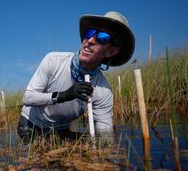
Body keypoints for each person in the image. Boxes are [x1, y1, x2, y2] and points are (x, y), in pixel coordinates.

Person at [17, 11, 135, 143]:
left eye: (102, 37)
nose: (90, 40)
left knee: (84, 147)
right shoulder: (53, 60)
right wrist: (65, 95)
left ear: (111, 51)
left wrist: (107, 155)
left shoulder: (103, 92)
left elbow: (105, 135)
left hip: (60, 128)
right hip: (31, 123)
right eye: (89, 33)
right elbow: (28, 98)